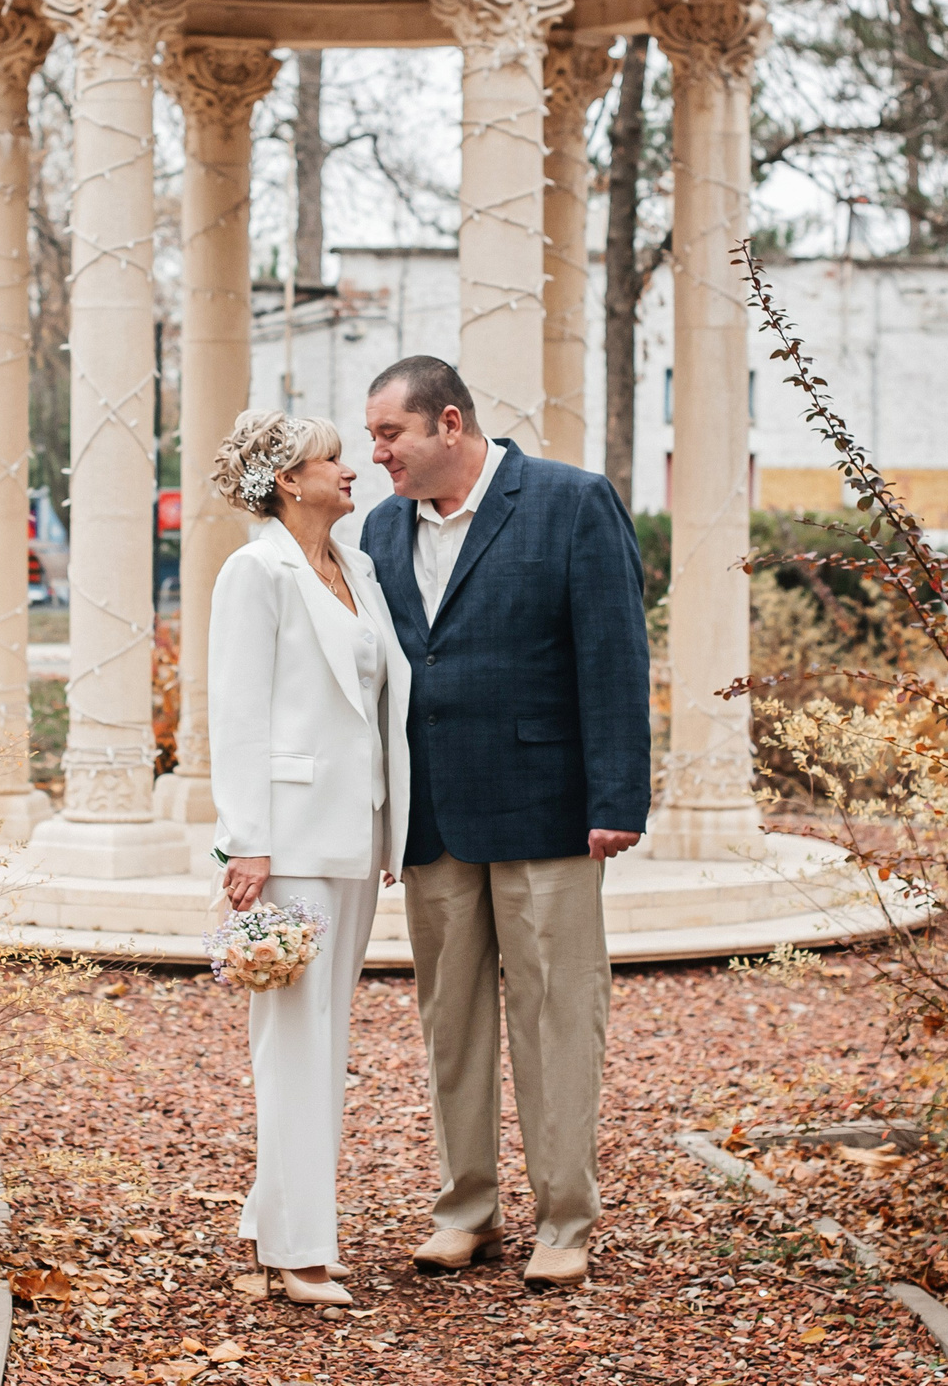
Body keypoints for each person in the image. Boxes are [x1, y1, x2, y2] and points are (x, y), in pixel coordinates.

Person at [356, 356, 650, 1290]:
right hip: (434, 815)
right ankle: (466, 1210)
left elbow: (615, 653)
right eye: (371, 437)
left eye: (389, 434)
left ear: (449, 423)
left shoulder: (570, 501)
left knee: (559, 1016)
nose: (375, 454)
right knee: (451, 1024)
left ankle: (565, 1219)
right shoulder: (378, 526)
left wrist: (616, 799)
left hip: (548, 810)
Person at [205, 409, 412, 1307]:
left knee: (324, 1046)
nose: (352, 469)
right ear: (291, 479)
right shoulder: (257, 571)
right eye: (334, 459)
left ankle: (272, 1224)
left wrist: (392, 823)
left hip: (355, 837)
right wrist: (246, 838)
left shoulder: (355, 567)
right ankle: (299, 1255)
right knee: (292, 1047)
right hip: (284, 845)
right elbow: (238, 711)